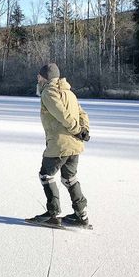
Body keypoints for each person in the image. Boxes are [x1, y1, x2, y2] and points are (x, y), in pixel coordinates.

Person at [27, 63, 91, 227]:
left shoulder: (48, 92)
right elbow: (82, 113)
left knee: (46, 175)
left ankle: (53, 213)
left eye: (39, 76)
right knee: (69, 178)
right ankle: (81, 216)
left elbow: (62, 114)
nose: (37, 78)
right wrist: (84, 130)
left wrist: (77, 130)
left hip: (60, 144)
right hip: (74, 145)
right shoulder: (69, 92)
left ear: (45, 78)